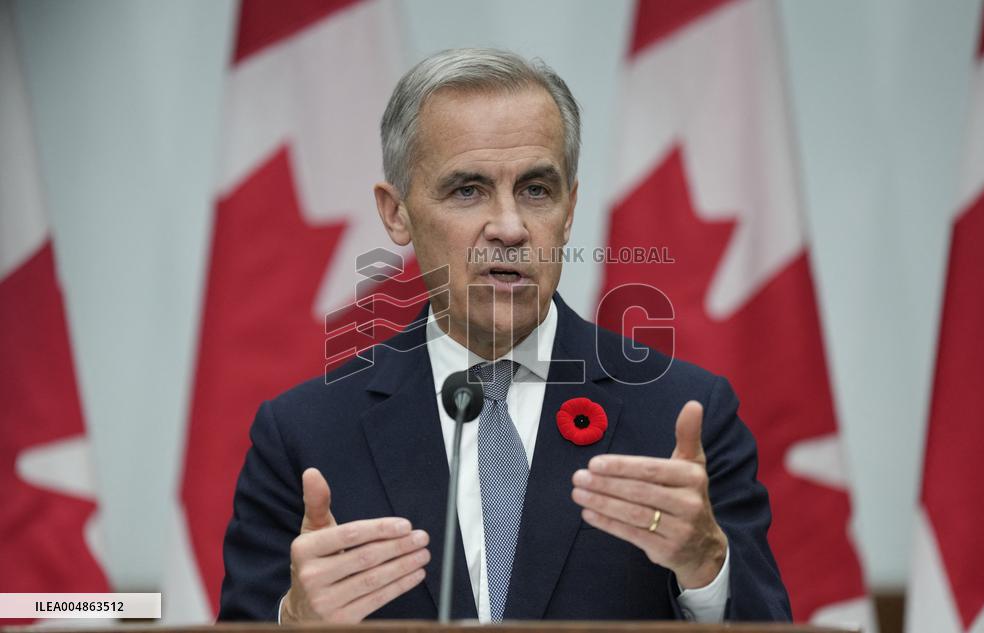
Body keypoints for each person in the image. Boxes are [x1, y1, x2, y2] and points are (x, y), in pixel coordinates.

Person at [218, 48, 791, 624]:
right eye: (467, 190)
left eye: (537, 190)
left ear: (569, 212)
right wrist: (293, 624)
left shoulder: (679, 416)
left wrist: (707, 568)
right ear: (396, 214)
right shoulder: (305, 435)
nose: (511, 228)